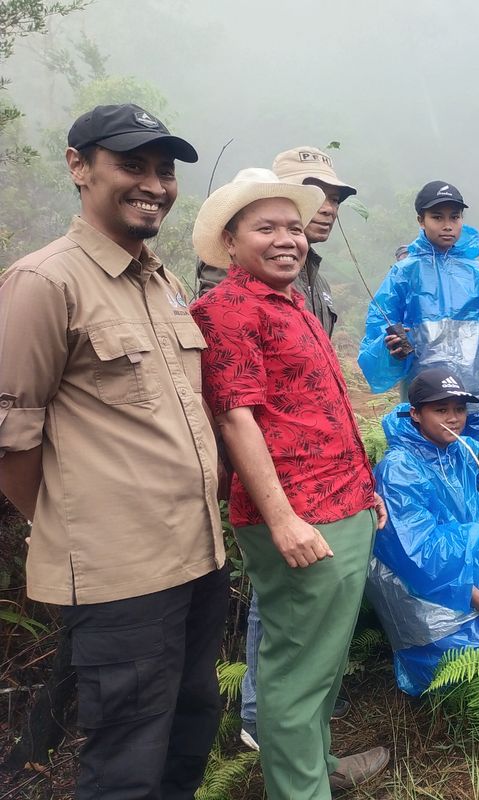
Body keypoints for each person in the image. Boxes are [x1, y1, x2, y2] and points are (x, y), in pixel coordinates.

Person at [0, 103, 227, 798]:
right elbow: (13, 441)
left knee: (190, 731)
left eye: (164, 170)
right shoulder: (45, 282)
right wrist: (83, 524)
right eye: (132, 165)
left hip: (199, 557)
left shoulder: (163, 283)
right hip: (122, 575)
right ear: (79, 165)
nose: (154, 184)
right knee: (126, 758)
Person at [190, 168, 390, 796]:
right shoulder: (226, 310)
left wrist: (364, 490)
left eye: (293, 228)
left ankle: (317, 765)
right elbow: (235, 418)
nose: (286, 240)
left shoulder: (293, 299)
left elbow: (317, 407)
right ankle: (299, 789)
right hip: (301, 517)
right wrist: (282, 520)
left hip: (343, 504)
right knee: (295, 673)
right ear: (229, 241)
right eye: (265, 228)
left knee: (323, 664)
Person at [365, 368, 479, 694]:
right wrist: (477, 600)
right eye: (441, 410)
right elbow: (418, 557)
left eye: (460, 409)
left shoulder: (457, 449)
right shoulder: (399, 470)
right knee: (473, 655)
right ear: (416, 414)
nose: (454, 418)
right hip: (418, 587)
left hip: (462, 565)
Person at [358, 182, 479, 451]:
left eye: (455, 217)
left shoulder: (478, 274)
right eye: (437, 217)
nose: (448, 225)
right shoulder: (404, 273)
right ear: (421, 220)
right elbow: (380, 326)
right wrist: (390, 347)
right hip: (427, 401)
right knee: (430, 477)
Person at [197, 145, 356, 337]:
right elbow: (224, 332)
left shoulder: (318, 281)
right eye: (319, 195)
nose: (328, 209)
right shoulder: (239, 262)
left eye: (335, 200)